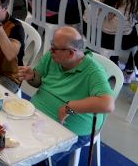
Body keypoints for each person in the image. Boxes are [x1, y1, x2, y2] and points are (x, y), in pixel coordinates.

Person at [16, 27, 115, 160]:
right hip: (36, 117)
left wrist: (70, 107)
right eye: (52, 45)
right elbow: (37, 81)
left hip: (69, 128)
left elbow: (108, 104)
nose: (50, 50)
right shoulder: (53, 57)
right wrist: (33, 76)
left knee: (32, 157)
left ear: (71, 53)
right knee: (7, 137)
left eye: (55, 48)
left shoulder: (93, 71)